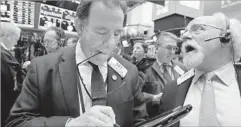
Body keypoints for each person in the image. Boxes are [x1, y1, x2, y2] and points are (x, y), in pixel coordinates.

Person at [6, 1, 145, 127]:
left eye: (116, 33)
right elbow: (16, 122)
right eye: (101, 32)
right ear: (80, 26)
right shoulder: (43, 68)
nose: (110, 44)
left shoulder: (129, 72)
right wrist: (69, 124)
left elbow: (140, 120)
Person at [159, 13, 241, 127]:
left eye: (197, 29)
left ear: (226, 38)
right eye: (185, 31)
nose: (184, 36)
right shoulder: (171, 91)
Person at [144, 32, 187, 117]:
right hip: (156, 118)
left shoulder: (181, 67)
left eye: (175, 48)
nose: (172, 52)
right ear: (157, 48)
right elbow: (135, 95)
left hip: (178, 117)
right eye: (168, 47)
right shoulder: (146, 69)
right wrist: (153, 98)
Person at [1, 22, 25, 126]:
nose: (16, 43)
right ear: (7, 36)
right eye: (15, 39)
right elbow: (10, 82)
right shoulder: (2, 55)